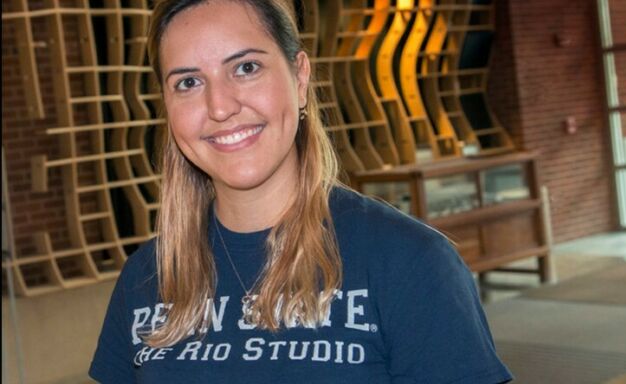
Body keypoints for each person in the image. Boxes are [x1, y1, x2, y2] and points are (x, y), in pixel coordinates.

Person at [89, 0, 513, 383]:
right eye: (188, 83)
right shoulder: (146, 278)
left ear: (300, 76)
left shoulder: (408, 263)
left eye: (246, 68)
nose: (220, 107)